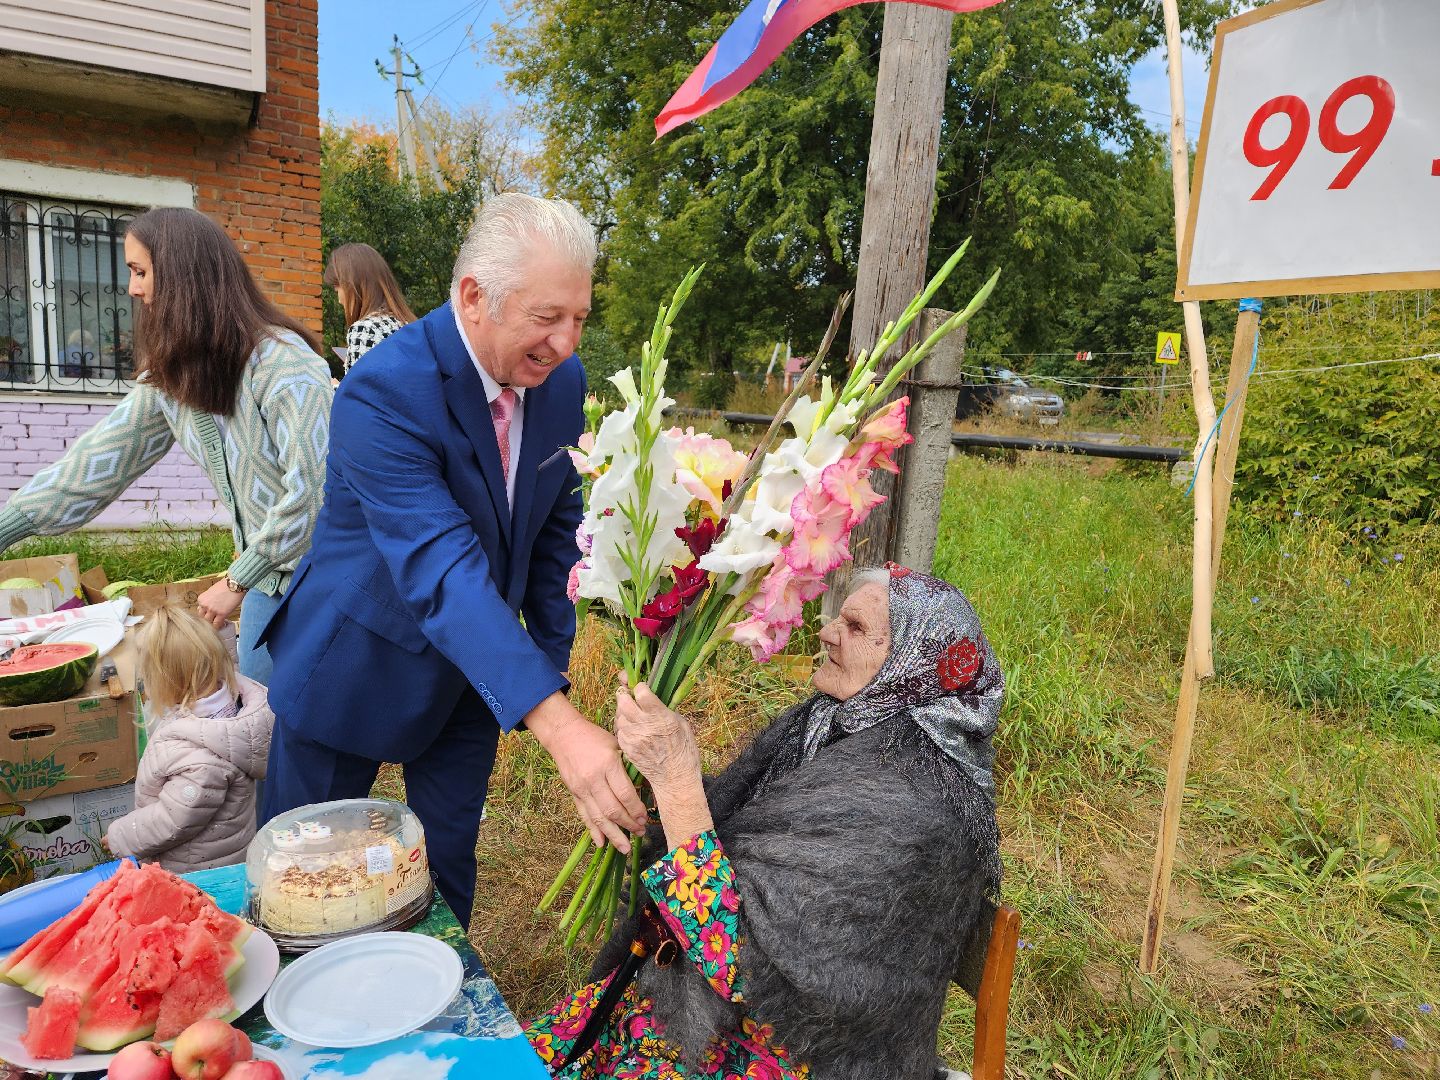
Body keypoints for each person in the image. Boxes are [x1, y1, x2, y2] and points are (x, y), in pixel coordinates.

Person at [260, 193, 647, 929]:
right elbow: (439, 567)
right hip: (356, 661)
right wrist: (560, 725)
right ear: (474, 296)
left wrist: (541, 666)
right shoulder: (383, 391)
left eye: (579, 318)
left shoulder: (561, 384)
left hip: (474, 670)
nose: (567, 343)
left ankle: (439, 989)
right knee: (304, 878)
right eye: (547, 317)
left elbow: (556, 528)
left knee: (444, 866)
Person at [526, 565, 1005, 1080]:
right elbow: (757, 840)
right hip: (711, 1015)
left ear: (914, 664)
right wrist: (654, 782)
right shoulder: (840, 730)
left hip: (786, 1053)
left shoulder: (909, 807)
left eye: (855, 627)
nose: (826, 632)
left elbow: (735, 960)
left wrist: (677, 780)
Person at [0, 208, 333, 686]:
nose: (132, 289)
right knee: (263, 713)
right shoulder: (172, 380)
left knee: (312, 717)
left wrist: (237, 579)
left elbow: (313, 492)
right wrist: (7, 528)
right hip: (268, 580)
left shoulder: (285, 364)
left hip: (329, 577)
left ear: (182, 275)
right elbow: (92, 466)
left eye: (140, 271)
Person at [105, 606, 273, 872]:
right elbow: (228, 663)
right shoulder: (228, 695)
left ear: (168, 682)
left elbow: (172, 820)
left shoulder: (200, 759)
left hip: (195, 870)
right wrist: (222, 633)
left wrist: (119, 836)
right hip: (223, 850)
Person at [323, 243, 417, 372]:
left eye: (337, 289)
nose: (339, 300)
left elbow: (361, 386)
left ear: (352, 285)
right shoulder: (407, 324)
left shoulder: (365, 329)